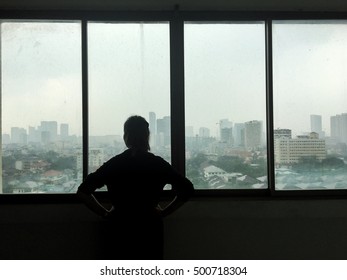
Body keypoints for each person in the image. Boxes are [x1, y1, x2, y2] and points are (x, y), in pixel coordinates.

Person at [77, 115, 194, 259]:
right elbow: (187, 189)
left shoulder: (115, 163)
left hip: (120, 226)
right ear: (147, 136)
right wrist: (164, 212)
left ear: (126, 136)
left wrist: (105, 213)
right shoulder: (157, 163)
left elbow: (83, 191)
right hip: (149, 227)